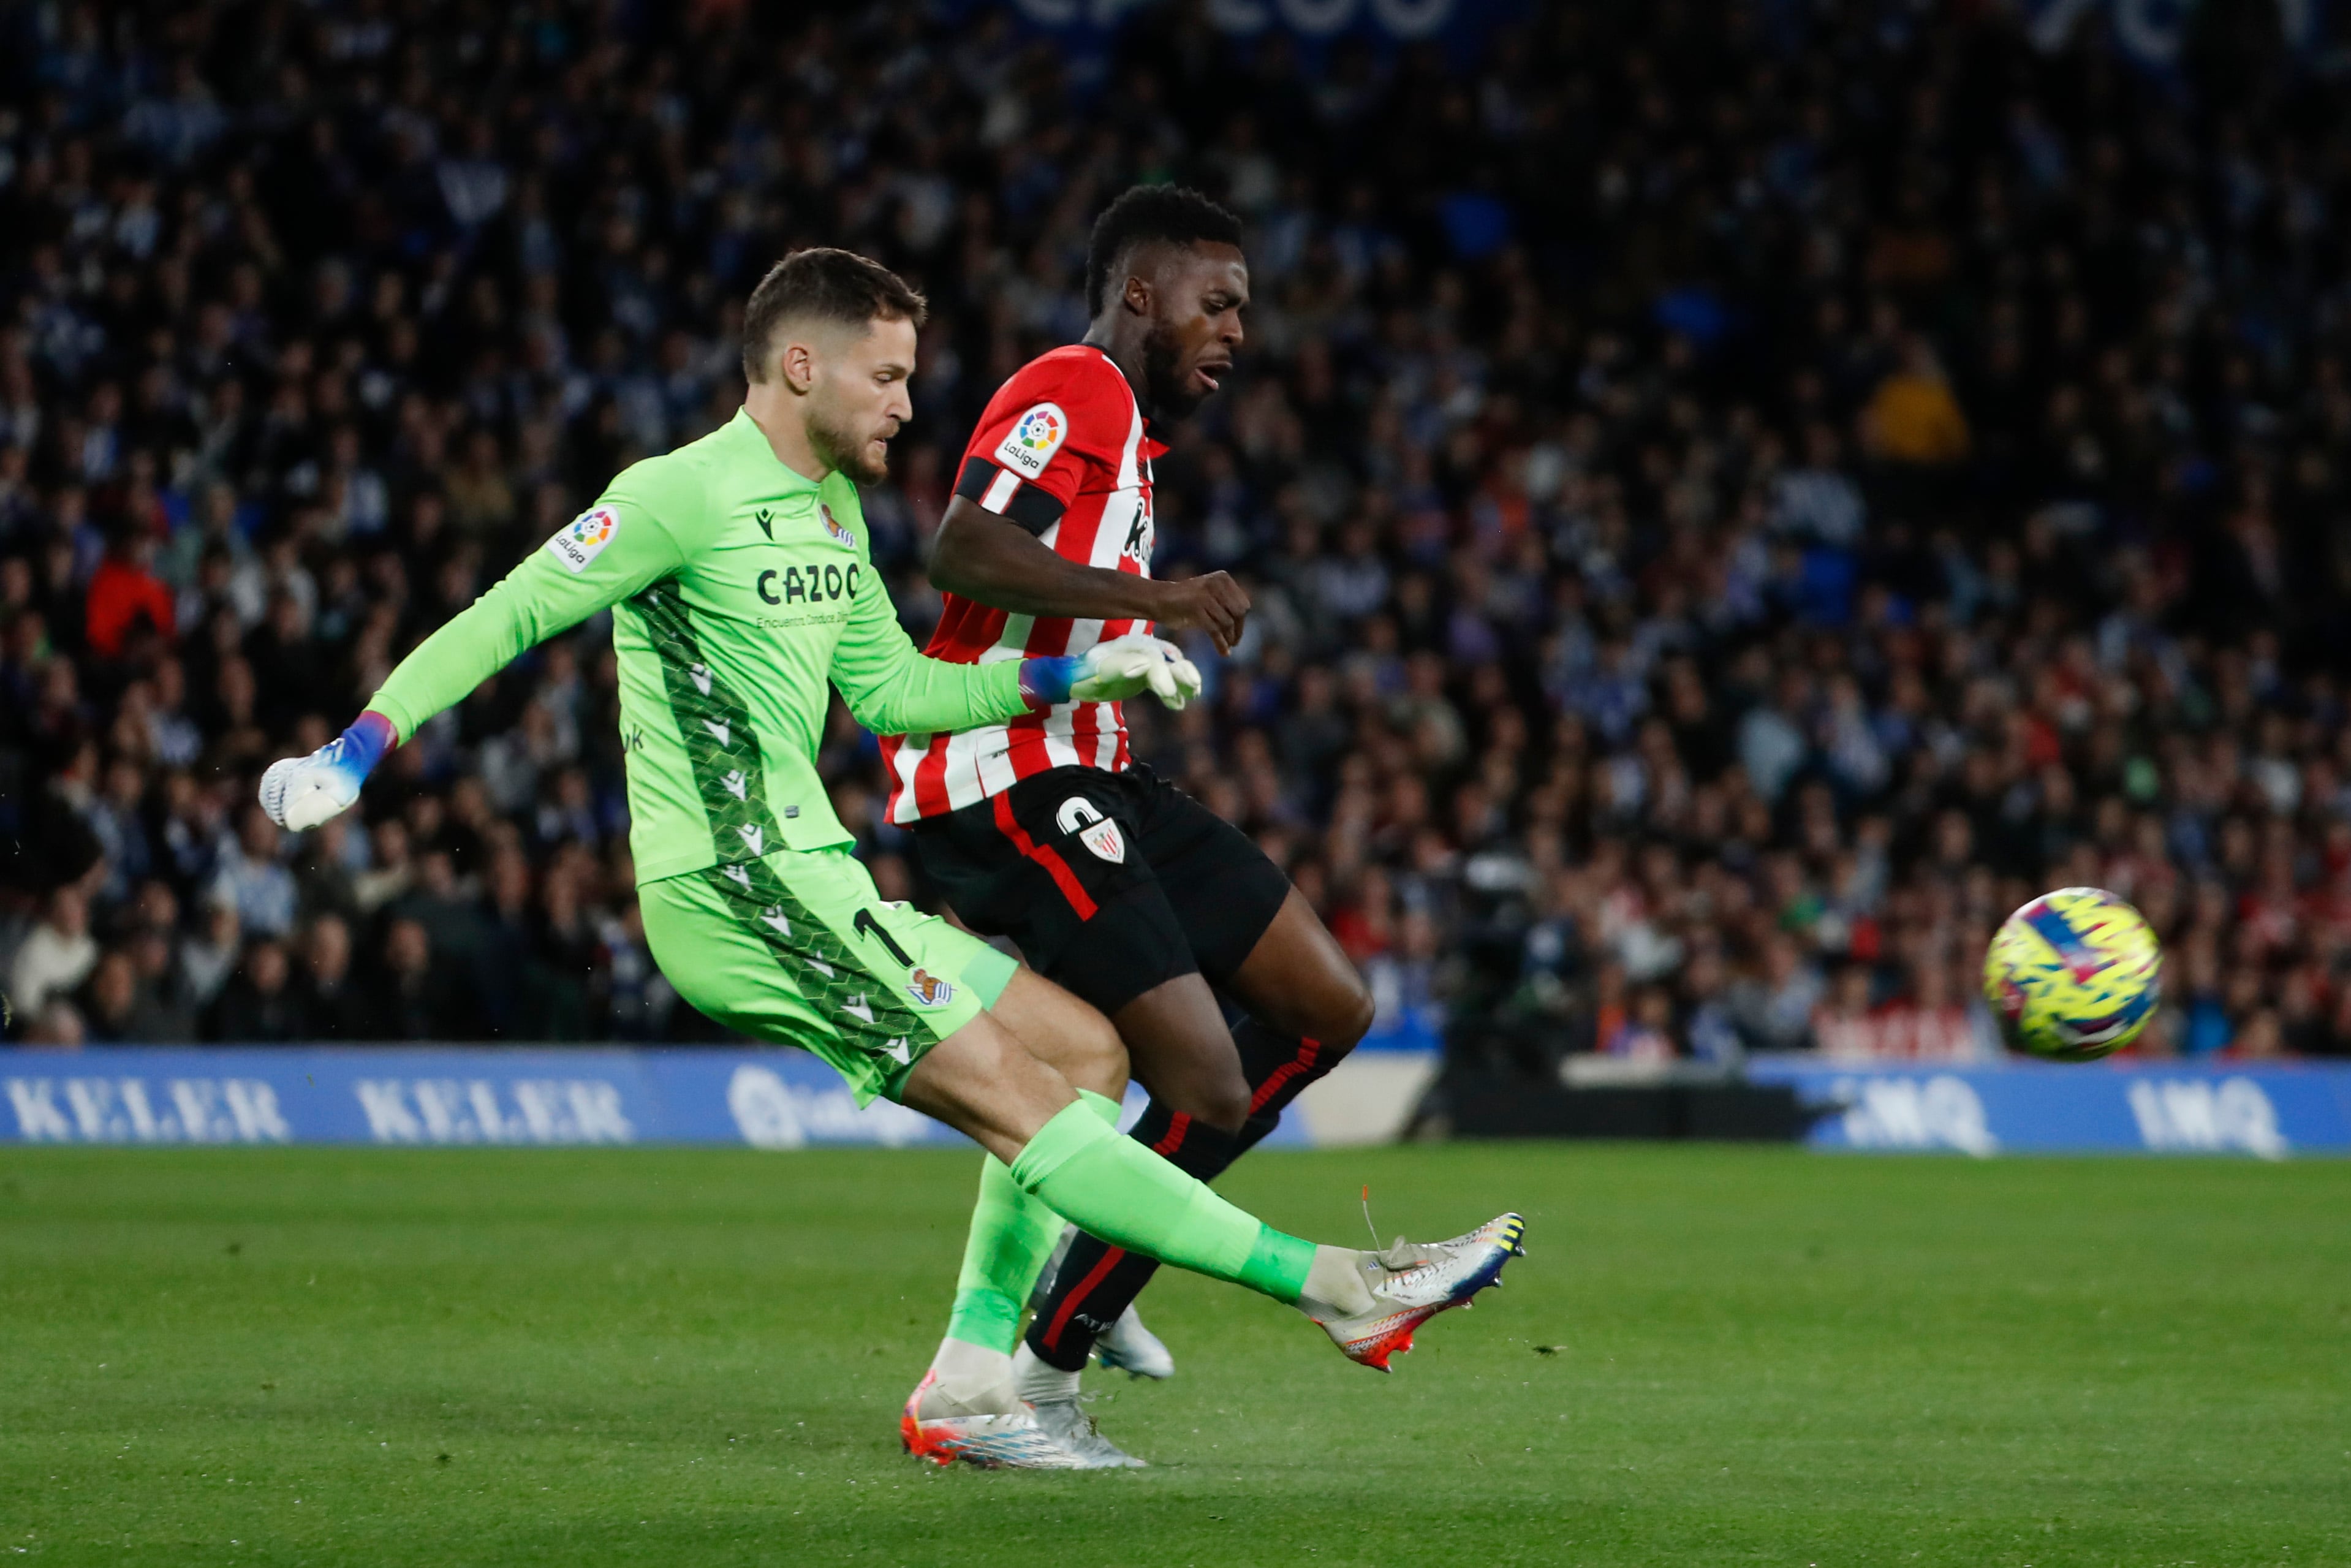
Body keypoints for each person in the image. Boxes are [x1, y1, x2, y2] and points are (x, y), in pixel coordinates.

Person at [257, 246, 1521, 1469]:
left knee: (1086, 1048)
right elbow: (512, 609)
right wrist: (357, 750)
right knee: (1026, 1106)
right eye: (888, 377)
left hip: (822, 876)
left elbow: (898, 688)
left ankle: (975, 1381)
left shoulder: (832, 513)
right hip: (738, 886)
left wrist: (1081, 667)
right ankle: (1340, 1285)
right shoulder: (675, 494)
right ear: (799, 365)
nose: (911, 405)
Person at [879, 186, 1388, 1466]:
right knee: (1200, 1081)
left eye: (1245, 311)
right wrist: (1154, 596)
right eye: (1216, 303)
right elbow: (961, 545)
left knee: (1328, 1004)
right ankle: (1054, 1340)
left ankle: (1084, 1287)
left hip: (1093, 772)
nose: (1234, 331)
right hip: (1002, 774)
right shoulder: (1073, 383)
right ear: (1140, 291)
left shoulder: (1135, 440)